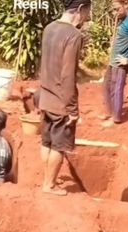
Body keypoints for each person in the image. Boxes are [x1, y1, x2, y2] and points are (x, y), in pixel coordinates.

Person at [38, 0, 91, 196]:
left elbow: (45, 63)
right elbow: (68, 75)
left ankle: (46, 177)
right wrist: (73, 110)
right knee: (58, 146)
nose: (86, 16)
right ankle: (49, 185)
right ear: (79, 10)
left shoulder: (49, 28)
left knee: (46, 142)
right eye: (86, 11)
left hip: (45, 96)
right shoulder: (73, 35)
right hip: (61, 102)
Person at [99, 0, 128, 127]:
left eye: (117, 9)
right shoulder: (124, 18)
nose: (114, 12)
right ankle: (110, 112)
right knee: (107, 85)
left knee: (116, 89)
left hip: (120, 63)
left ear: (126, 4)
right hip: (113, 61)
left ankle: (116, 117)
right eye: (113, 9)